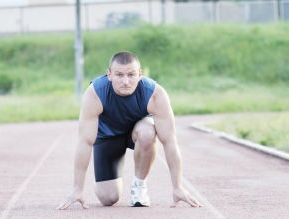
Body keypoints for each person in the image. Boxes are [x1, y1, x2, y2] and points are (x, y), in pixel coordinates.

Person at [58, 50, 202, 210]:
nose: (125, 81)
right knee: (108, 198)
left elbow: (170, 141)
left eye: (131, 75)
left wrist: (178, 187)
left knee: (148, 132)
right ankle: (104, 181)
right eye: (119, 75)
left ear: (140, 74)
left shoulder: (155, 94)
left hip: (138, 132)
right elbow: (85, 142)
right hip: (108, 137)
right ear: (109, 75)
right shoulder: (95, 94)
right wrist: (78, 189)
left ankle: (139, 185)